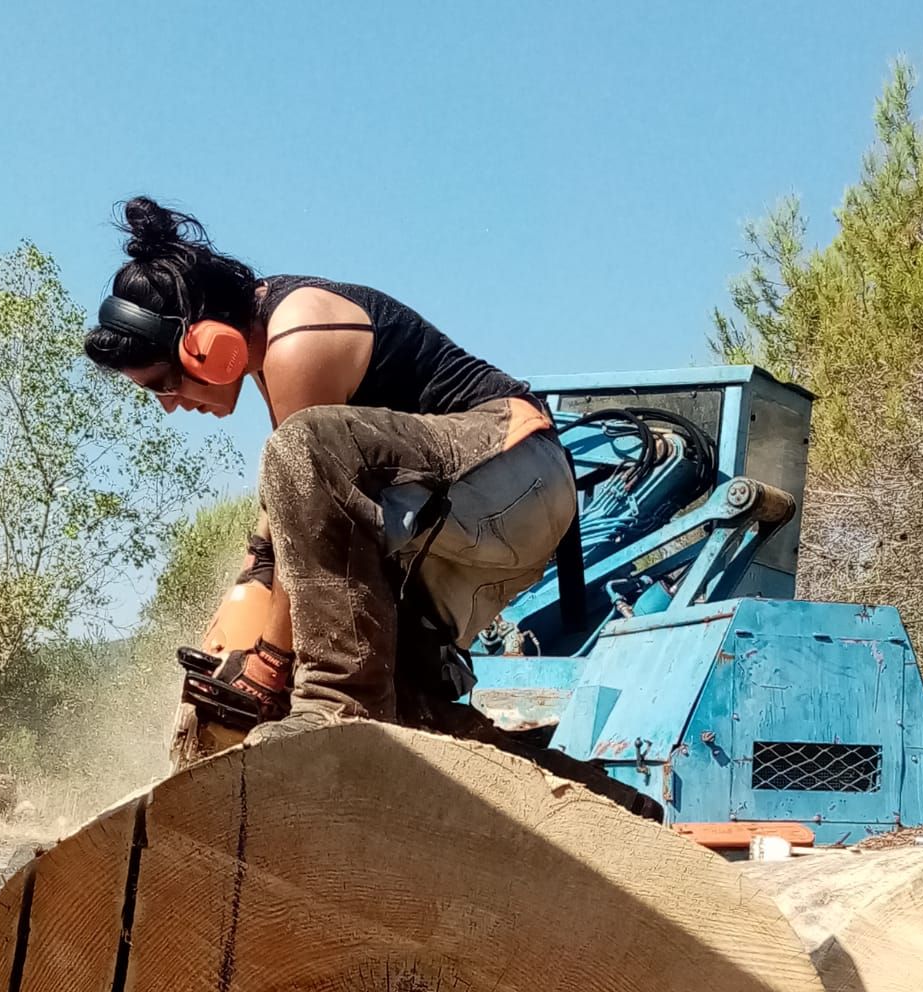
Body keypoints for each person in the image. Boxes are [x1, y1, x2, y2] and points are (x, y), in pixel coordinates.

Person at [85, 197, 576, 741]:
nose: (169, 404)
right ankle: (598, 809)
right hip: (471, 504)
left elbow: (305, 502)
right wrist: (249, 588)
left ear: (205, 346)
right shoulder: (270, 343)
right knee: (390, 676)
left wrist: (267, 667)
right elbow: (288, 525)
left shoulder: (297, 341)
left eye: (163, 383)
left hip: (513, 475)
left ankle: (336, 708)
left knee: (301, 456)